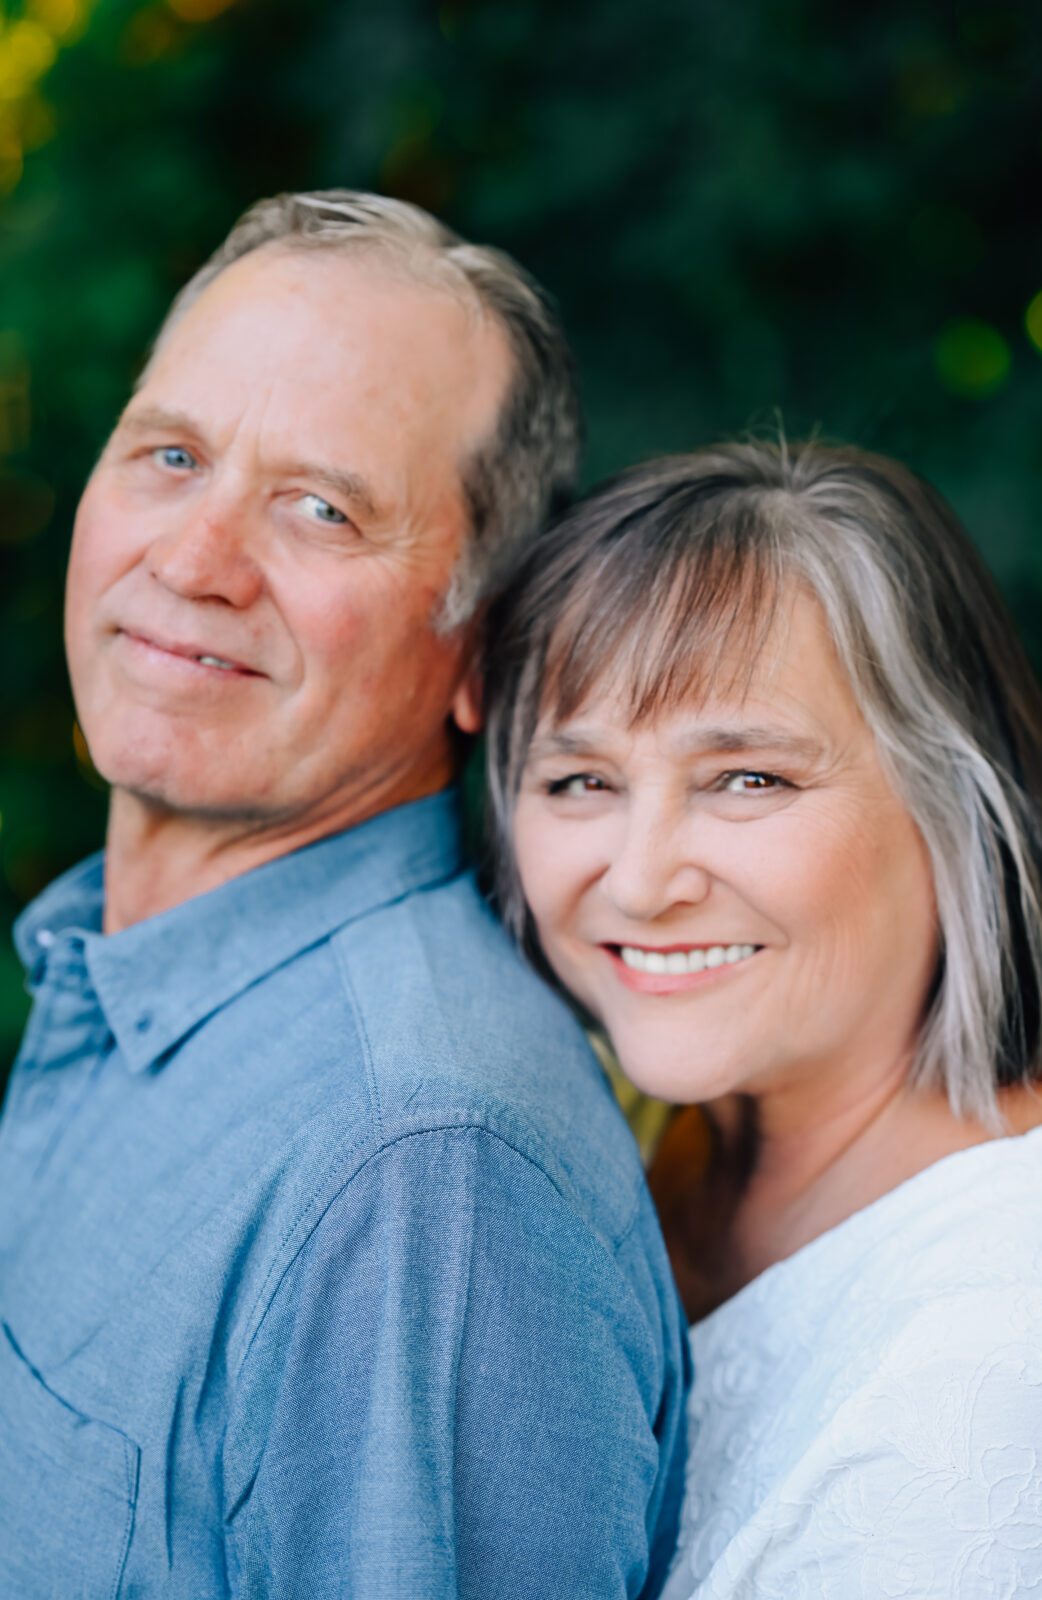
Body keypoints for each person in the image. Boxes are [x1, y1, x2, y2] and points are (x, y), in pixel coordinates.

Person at [0, 190, 688, 1600]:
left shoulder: (418, 1178)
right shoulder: (127, 972)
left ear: (478, 653)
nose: (191, 562)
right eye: (170, 455)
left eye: (321, 509)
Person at [483, 439, 1042, 1598]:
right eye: (579, 780)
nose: (642, 881)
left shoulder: (995, 1367)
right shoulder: (650, 1135)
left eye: (748, 778)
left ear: (956, 802)